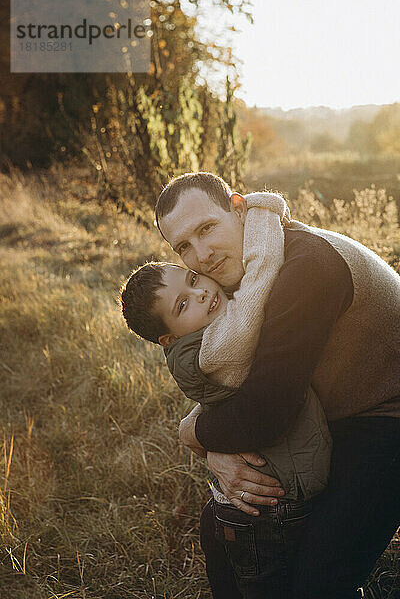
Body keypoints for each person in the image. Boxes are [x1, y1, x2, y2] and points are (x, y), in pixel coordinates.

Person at [154, 171, 400, 599]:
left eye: (207, 228)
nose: (202, 255)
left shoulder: (304, 268)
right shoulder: (253, 268)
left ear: (238, 206)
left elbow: (266, 412)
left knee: (315, 581)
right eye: (183, 247)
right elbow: (250, 374)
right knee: (223, 528)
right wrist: (215, 442)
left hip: (388, 414)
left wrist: (195, 434)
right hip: (330, 410)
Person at [120, 192, 332, 598]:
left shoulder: (204, 331)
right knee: (271, 584)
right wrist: (264, 212)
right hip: (271, 504)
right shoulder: (216, 346)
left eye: (193, 280)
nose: (201, 292)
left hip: (270, 489)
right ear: (169, 338)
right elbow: (260, 277)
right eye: (183, 304)